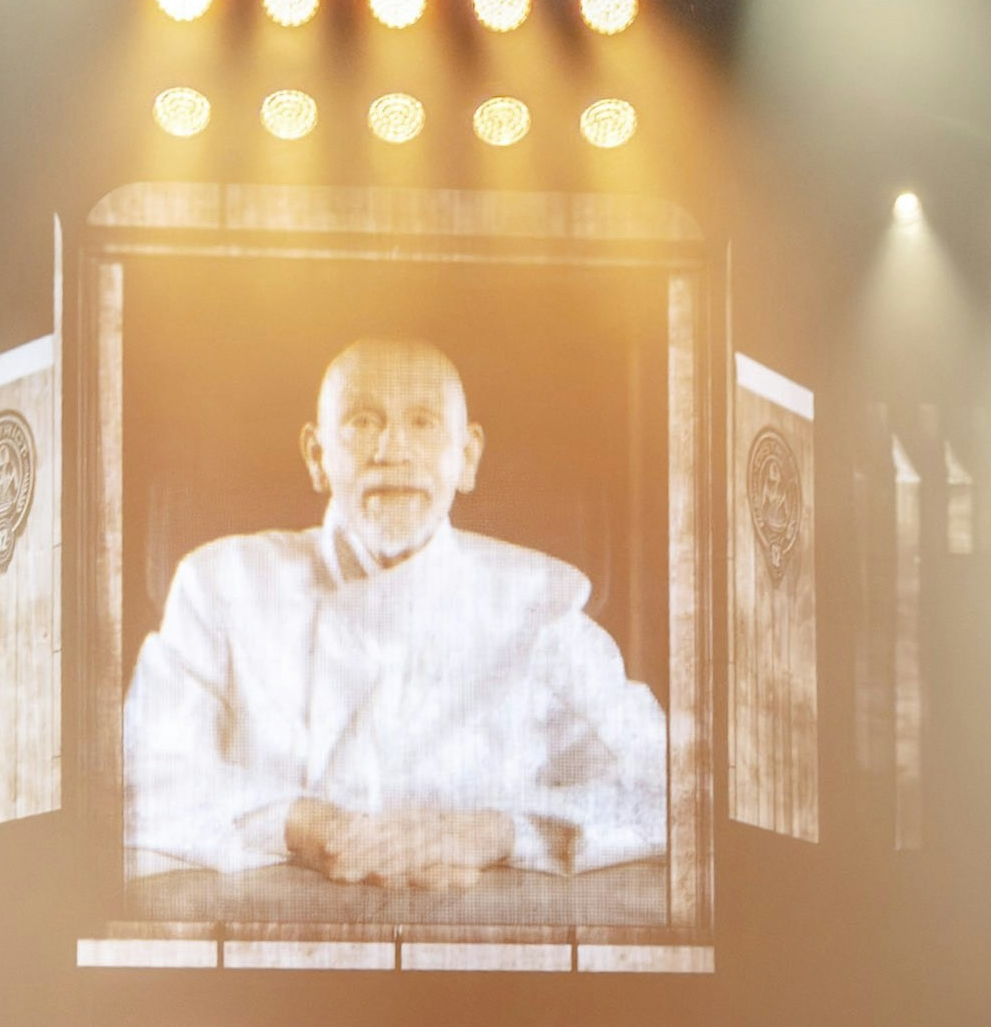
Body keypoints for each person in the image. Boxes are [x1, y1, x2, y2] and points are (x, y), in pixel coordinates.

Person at [119, 338, 668, 894]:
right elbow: (138, 775)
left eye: (424, 423)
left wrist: (489, 833)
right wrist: (308, 826)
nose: (393, 450)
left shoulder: (538, 603)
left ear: (468, 456)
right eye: (363, 421)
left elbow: (670, 785)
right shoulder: (222, 583)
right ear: (316, 456)